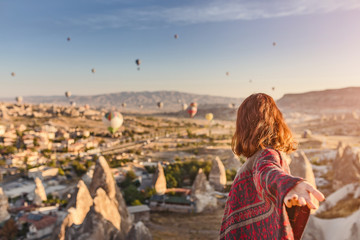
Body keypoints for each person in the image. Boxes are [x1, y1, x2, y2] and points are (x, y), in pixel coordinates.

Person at [219, 93, 325, 240]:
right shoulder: (255, 159)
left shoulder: (267, 154)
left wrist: (287, 184)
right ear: (276, 120)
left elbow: (267, 170)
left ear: (243, 125)